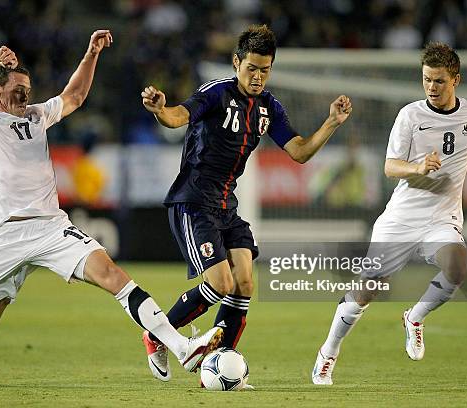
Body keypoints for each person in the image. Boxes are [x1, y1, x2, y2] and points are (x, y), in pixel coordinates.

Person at [0, 30, 223, 386]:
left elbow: (74, 95)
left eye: (28, 90)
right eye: (17, 90)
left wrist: (91, 52)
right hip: (6, 234)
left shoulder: (37, 116)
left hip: (51, 227)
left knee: (113, 276)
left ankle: (181, 347)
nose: (26, 96)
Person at [140, 24, 352, 382]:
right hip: (193, 202)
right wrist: (161, 109)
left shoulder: (269, 107)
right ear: (236, 62)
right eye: (251, 68)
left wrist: (331, 122)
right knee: (220, 283)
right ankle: (156, 334)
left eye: (264, 70)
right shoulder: (215, 93)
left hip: (226, 206)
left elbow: (299, 151)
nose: (257, 77)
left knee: (245, 283)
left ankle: (222, 359)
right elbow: (179, 116)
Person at [311, 42, 467, 385]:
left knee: (457, 267)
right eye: (427, 79)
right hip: (401, 217)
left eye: (439, 81)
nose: (431, 87)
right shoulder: (410, 115)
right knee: (366, 290)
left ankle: (414, 317)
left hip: (442, 218)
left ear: (455, 79)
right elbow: (389, 167)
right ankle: (328, 352)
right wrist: (417, 167)